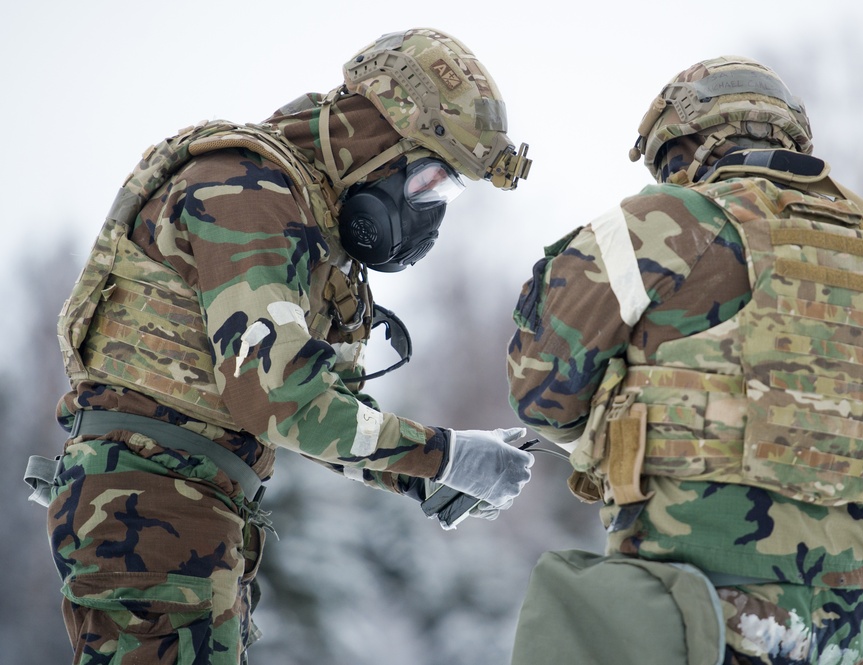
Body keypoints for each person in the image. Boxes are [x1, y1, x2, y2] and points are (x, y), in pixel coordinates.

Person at [28, 28, 535, 665]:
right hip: (147, 510)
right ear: (377, 140)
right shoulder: (244, 193)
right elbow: (280, 400)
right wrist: (443, 457)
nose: (429, 212)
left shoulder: (296, 214)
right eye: (430, 183)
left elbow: (316, 408)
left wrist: (430, 477)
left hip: (185, 509)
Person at [505, 55, 863, 664]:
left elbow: (540, 394)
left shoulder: (657, 226)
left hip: (679, 625)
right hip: (835, 640)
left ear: (681, 149)